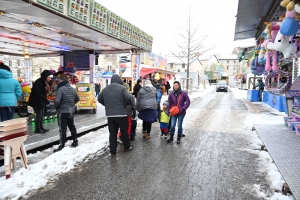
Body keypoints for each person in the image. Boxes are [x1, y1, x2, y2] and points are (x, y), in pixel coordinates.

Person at [98, 74, 133, 155]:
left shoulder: (105, 89)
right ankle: (127, 147)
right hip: (121, 115)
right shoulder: (122, 88)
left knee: (112, 133)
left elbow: (99, 99)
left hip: (110, 116)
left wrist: (107, 105)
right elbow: (128, 98)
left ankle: (113, 151)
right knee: (124, 132)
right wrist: (126, 104)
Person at [53, 75, 80, 152]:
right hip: (71, 111)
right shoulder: (72, 89)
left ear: (61, 80)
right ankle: (75, 141)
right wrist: (71, 104)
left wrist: (55, 107)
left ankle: (62, 145)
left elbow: (57, 101)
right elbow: (77, 98)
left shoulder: (60, 89)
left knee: (62, 129)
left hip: (62, 111)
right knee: (72, 127)